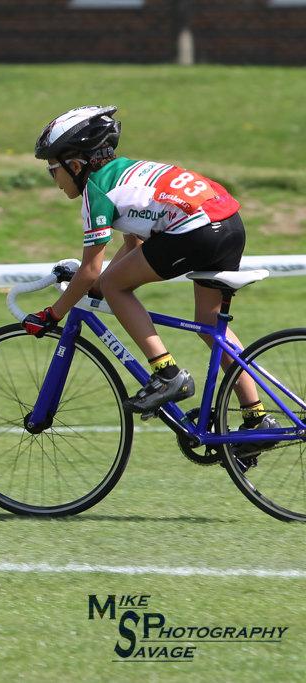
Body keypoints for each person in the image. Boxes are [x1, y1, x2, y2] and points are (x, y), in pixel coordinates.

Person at [26, 105, 275, 450]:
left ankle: (167, 373)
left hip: (197, 230)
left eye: (52, 170)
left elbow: (91, 271)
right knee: (208, 321)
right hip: (228, 221)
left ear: (76, 165)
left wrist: (51, 315)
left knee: (114, 286)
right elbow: (134, 243)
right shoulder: (130, 172)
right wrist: (98, 282)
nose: (53, 180)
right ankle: (256, 418)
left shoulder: (96, 190)